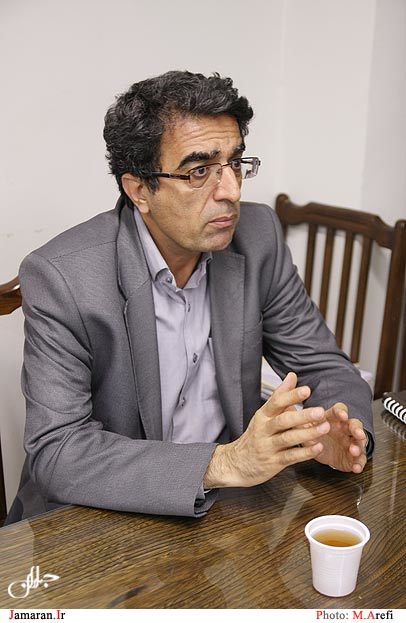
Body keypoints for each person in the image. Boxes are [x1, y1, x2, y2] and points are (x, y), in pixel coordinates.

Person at [6, 70, 373, 524]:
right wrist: (223, 463)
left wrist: (344, 430)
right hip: (99, 518)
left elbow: (322, 364)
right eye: (199, 171)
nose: (231, 191)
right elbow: (59, 451)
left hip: (226, 511)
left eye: (235, 163)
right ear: (139, 190)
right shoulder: (62, 276)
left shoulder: (258, 236)